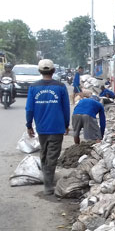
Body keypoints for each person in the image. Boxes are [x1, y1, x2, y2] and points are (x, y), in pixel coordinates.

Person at [26, 59, 70, 195]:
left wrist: (29, 125)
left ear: (40, 71)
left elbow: (29, 109)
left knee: (44, 152)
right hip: (57, 127)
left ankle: (47, 179)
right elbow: (66, 108)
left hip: (41, 127)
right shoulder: (61, 87)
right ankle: (48, 185)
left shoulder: (33, 88)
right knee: (52, 155)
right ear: (53, 71)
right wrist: (66, 124)